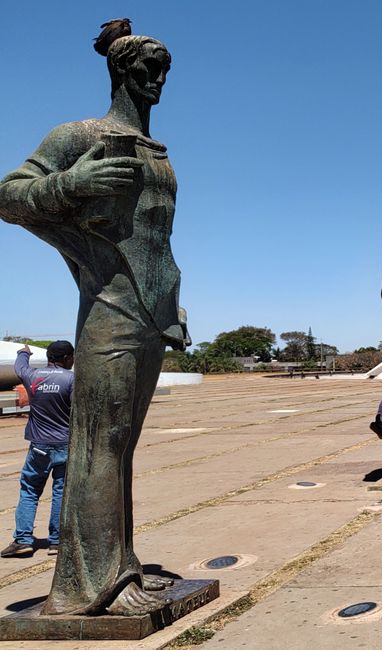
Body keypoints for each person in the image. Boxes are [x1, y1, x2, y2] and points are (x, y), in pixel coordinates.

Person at [0, 29, 189, 615]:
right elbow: (9, 195)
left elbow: (154, 243)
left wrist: (172, 307)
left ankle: (119, 566)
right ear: (120, 71)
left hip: (152, 313)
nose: (158, 79)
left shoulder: (156, 150)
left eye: (165, 68)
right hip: (108, 310)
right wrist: (71, 185)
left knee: (119, 446)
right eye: (148, 68)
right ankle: (88, 587)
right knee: (97, 444)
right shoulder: (80, 137)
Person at [2, 342, 74, 559]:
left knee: (29, 491)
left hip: (39, 446)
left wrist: (24, 351)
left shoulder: (31, 376)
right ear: (67, 358)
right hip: (65, 444)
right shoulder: (71, 379)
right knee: (61, 493)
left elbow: (19, 365)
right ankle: (57, 542)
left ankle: (23, 540)